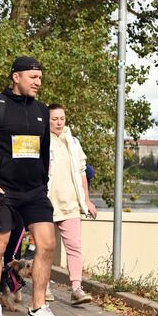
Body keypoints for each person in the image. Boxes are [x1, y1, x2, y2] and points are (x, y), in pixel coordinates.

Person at [0, 56, 68, 316]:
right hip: (3, 190)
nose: (38, 82)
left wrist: (43, 183)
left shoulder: (40, 110)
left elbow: (43, 152)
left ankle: (38, 307)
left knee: (47, 243)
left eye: (40, 78)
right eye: (33, 77)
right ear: (16, 77)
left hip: (35, 192)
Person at [48, 103, 97, 305]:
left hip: (71, 205)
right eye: (54, 118)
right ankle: (44, 286)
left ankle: (76, 288)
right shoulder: (42, 140)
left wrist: (86, 199)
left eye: (62, 118)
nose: (59, 122)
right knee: (46, 248)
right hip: (46, 204)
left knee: (74, 247)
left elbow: (82, 172)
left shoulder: (73, 142)